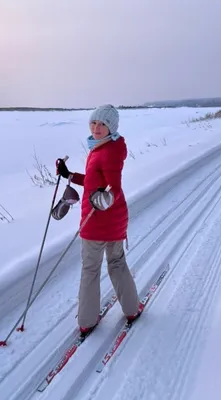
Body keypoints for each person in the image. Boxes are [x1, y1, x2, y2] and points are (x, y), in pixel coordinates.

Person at [56, 104, 143, 337]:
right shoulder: (105, 148)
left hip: (96, 223)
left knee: (91, 269)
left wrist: (101, 200)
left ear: (111, 127)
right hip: (113, 222)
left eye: (102, 124)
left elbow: (113, 188)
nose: (96, 127)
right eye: (94, 123)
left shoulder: (108, 152)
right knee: (116, 265)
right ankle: (132, 309)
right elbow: (96, 183)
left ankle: (86, 321)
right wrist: (69, 176)